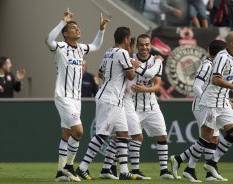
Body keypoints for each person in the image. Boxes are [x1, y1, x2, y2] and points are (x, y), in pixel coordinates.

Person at [45, 8, 109, 182]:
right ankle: (69, 167)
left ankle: (60, 173)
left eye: (78, 27)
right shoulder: (60, 47)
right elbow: (48, 39)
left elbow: (96, 45)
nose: (77, 29)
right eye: (73, 28)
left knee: (66, 133)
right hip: (63, 96)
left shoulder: (81, 49)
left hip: (76, 98)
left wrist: (101, 29)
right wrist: (63, 21)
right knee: (79, 131)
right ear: (65, 34)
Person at [76, 27, 142, 180]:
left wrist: (114, 75)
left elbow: (100, 73)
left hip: (111, 97)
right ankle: (82, 167)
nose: (129, 42)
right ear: (126, 39)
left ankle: (124, 171)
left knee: (123, 134)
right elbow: (131, 75)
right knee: (102, 135)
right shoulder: (123, 53)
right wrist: (135, 66)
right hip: (110, 99)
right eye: (129, 39)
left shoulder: (108, 52)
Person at [99, 36, 164, 180]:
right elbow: (149, 74)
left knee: (121, 136)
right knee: (128, 136)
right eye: (135, 46)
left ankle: (107, 168)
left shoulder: (120, 57)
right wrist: (159, 60)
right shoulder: (130, 59)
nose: (131, 49)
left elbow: (101, 72)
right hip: (125, 101)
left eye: (147, 45)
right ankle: (128, 169)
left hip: (125, 100)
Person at [170, 39, 227, 182]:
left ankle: (206, 173)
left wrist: (226, 101)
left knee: (213, 138)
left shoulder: (215, 66)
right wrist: (207, 101)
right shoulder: (207, 66)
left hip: (210, 105)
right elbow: (196, 87)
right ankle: (186, 165)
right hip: (202, 105)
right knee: (207, 137)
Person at [197, 31, 233, 181]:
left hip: (222, 101)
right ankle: (182, 161)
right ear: (232, 43)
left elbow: (226, 80)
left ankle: (212, 163)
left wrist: (228, 97)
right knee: (207, 138)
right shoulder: (222, 56)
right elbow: (215, 79)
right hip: (211, 101)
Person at [129, 34, 174, 179]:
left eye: (147, 44)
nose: (144, 47)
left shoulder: (156, 61)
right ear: (137, 46)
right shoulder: (130, 60)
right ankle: (133, 170)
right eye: (141, 44)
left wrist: (144, 89)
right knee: (125, 137)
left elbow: (157, 86)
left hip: (152, 106)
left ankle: (164, 171)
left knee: (162, 135)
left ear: (150, 46)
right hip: (133, 106)